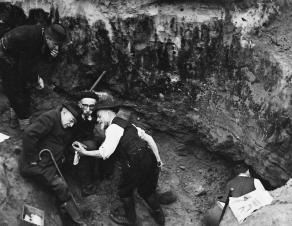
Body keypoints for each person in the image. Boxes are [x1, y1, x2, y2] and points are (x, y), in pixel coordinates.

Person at [73, 102, 165, 226]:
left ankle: (131, 220)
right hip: (149, 158)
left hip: (134, 162)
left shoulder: (113, 128)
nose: (98, 120)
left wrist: (85, 153)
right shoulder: (128, 125)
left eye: (99, 116)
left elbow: (105, 153)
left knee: (124, 192)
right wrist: (158, 159)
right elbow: (149, 139)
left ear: (107, 112)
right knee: (147, 191)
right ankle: (159, 216)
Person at [19, 102, 87, 226]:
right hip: (37, 165)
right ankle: (77, 220)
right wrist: (32, 159)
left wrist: (75, 144)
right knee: (60, 186)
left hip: (51, 162)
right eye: (71, 120)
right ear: (64, 112)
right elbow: (29, 134)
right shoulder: (50, 118)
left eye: (73, 123)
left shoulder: (66, 123)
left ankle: (64, 209)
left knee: (64, 181)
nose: (71, 124)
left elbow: (62, 141)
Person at [0, 23, 67, 130]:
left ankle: (15, 114)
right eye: (55, 43)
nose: (57, 47)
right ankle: (24, 123)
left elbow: (39, 56)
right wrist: (36, 80)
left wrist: (50, 56)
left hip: (18, 54)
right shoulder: (31, 40)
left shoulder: (43, 34)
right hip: (5, 56)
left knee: (23, 85)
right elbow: (25, 68)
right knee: (15, 89)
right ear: (48, 38)